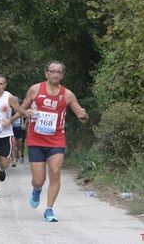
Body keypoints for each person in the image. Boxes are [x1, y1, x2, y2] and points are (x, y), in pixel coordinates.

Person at [11, 60, 89, 222]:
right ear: (46, 73)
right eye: (52, 71)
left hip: (56, 140)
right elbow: (22, 108)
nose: (55, 74)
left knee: (55, 172)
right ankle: (36, 189)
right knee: (39, 179)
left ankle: (49, 209)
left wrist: (83, 115)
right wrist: (14, 119)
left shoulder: (67, 94)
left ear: (62, 75)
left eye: (58, 72)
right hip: (36, 139)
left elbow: (81, 116)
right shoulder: (35, 89)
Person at [10, 96, 26, 167]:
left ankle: (19, 152)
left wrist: (23, 124)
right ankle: (14, 159)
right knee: (13, 144)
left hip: (19, 127)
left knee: (19, 143)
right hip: (11, 128)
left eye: (16, 101)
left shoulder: (20, 108)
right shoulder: (9, 108)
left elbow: (25, 116)